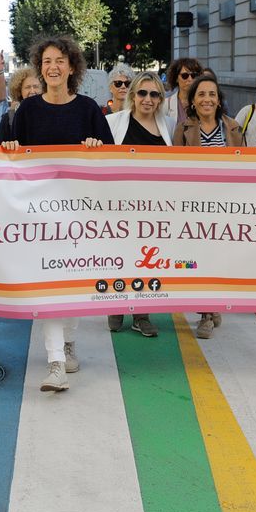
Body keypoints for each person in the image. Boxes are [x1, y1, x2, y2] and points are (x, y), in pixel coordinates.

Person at [2, 35, 114, 392]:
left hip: (80, 214)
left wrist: (96, 148)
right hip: (39, 215)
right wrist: (11, 147)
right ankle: (55, 362)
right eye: (47, 60)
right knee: (48, 284)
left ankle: (68, 341)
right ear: (40, 66)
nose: (53, 66)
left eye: (60, 60)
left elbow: (110, 159)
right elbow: (14, 160)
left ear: (72, 67)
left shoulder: (89, 109)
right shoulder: (28, 111)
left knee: (74, 282)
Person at [172, 73, 242, 339]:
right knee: (198, 261)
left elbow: (245, 166)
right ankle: (205, 314)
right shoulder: (183, 129)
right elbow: (175, 169)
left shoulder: (233, 128)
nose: (207, 99)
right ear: (193, 100)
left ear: (219, 99)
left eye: (212, 94)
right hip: (194, 205)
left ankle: (212, 305)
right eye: (201, 94)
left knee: (218, 259)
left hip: (225, 206)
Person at [105, 70, 172, 338]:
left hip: (154, 207)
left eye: (154, 94)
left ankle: (141, 314)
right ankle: (116, 306)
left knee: (146, 260)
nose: (147, 98)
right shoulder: (113, 123)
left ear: (160, 99)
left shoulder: (168, 124)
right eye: (142, 92)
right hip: (119, 204)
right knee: (118, 257)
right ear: (133, 95)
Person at [0, 66, 42, 144]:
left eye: (36, 86)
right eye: (27, 87)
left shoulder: (49, 113)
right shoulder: (9, 118)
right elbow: (0, 146)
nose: (32, 91)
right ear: (19, 91)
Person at [158, 57, 202, 133]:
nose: (190, 79)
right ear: (176, 78)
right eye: (185, 76)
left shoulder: (203, 102)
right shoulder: (165, 104)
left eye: (193, 75)